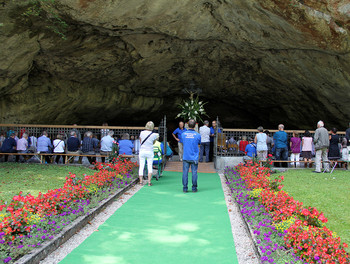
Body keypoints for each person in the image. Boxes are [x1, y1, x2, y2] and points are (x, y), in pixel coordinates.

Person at [181, 119, 201, 193]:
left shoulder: (183, 134)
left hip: (186, 156)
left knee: (185, 173)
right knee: (194, 172)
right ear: (195, 125)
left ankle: (185, 188)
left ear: (187, 125)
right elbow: (199, 143)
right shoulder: (198, 135)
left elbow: (183, 142)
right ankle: (194, 188)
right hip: (194, 157)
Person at [138, 121, 159, 186]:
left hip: (142, 151)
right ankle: (149, 182)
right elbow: (153, 143)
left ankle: (141, 182)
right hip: (149, 151)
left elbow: (141, 141)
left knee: (141, 166)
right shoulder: (154, 135)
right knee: (150, 166)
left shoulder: (142, 133)